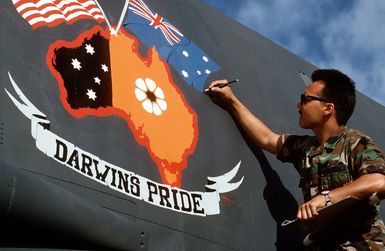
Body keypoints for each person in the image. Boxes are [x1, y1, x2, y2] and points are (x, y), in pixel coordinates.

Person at [206, 69, 385, 250]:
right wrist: (231, 100)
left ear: (328, 108)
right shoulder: (306, 148)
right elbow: (267, 139)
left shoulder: (354, 141)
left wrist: (325, 199)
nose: (299, 106)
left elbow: (378, 181)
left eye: (305, 99)